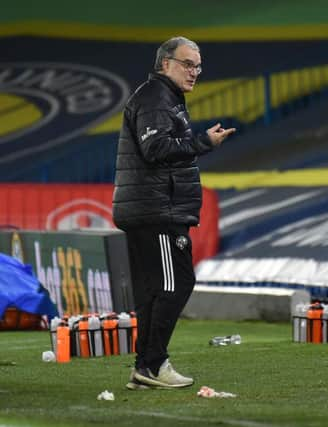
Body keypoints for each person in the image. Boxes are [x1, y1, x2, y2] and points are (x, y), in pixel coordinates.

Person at [112, 36, 235, 390]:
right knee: (176, 283)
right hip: (157, 210)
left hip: (149, 208)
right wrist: (203, 144)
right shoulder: (155, 97)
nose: (194, 72)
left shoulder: (163, 98)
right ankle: (153, 364)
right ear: (165, 63)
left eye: (198, 65)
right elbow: (155, 149)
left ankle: (144, 369)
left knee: (154, 289)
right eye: (187, 64)